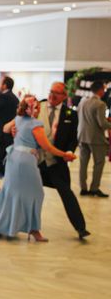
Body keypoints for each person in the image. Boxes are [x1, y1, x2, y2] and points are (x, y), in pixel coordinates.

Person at [0, 95, 77, 241]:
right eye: (35, 107)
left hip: (13, 158)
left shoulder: (18, 119)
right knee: (36, 194)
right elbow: (47, 147)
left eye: (38, 108)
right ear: (28, 108)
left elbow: (5, 128)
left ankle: (0, 227)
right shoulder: (36, 124)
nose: (37, 110)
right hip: (25, 161)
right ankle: (34, 230)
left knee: (9, 192)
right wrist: (64, 154)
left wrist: (13, 129)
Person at [37, 83, 90, 240]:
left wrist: (68, 152)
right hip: (36, 162)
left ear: (64, 96)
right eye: (51, 91)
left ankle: (81, 228)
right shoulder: (37, 107)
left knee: (67, 193)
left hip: (56, 162)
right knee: (26, 193)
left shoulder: (70, 114)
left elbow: (73, 139)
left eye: (57, 93)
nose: (53, 96)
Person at [77, 80, 111, 197]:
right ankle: (94, 188)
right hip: (96, 139)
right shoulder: (100, 104)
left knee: (83, 163)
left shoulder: (82, 102)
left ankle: (83, 188)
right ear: (101, 90)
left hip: (82, 136)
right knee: (99, 163)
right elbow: (102, 124)